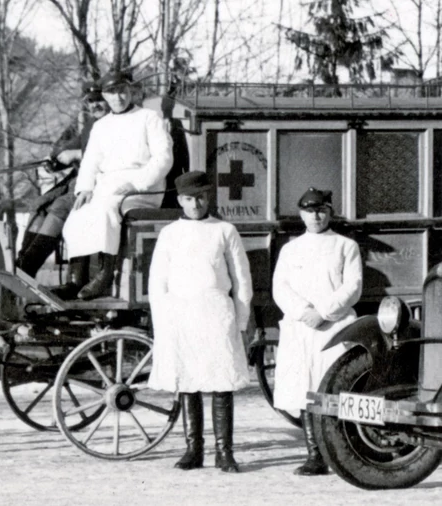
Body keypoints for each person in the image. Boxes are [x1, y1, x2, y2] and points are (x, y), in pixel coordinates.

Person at [147, 171, 253, 473]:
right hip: (180, 315)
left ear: (210, 198)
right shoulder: (169, 234)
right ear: (180, 200)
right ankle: (193, 450)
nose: (196, 204)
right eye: (190, 198)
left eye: (202, 197)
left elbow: (241, 281)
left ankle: (224, 452)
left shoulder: (225, 231)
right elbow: (157, 284)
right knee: (188, 382)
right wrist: (163, 323)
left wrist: (241, 322)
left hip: (216, 313)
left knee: (221, 384)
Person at [272, 187, 363, 476]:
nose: (316, 216)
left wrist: (323, 312)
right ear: (301, 214)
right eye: (310, 211)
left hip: (334, 327)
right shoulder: (291, 249)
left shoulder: (345, 246)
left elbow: (353, 287)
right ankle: (315, 455)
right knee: (305, 390)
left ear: (330, 212)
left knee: (335, 387)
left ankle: (341, 453)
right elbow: (280, 288)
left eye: (321, 210)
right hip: (301, 329)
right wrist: (303, 312)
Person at [61, 70, 174, 300]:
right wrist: (84, 188)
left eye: (122, 91)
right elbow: (90, 161)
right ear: (105, 96)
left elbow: (163, 158)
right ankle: (76, 279)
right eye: (112, 93)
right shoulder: (101, 126)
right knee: (78, 211)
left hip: (143, 188)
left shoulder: (149, 118)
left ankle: (105, 275)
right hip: (108, 186)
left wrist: (137, 182)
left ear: (130, 91)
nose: (118, 97)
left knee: (106, 208)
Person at [16, 82, 109, 299]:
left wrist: (77, 155)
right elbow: (70, 147)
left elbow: (113, 158)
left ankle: (32, 266)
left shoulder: (115, 124)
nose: (95, 105)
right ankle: (23, 263)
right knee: (40, 204)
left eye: (99, 100)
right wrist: (55, 160)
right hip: (78, 179)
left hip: (102, 182)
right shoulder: (90, 125)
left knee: (61, 205)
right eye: (91, 101)